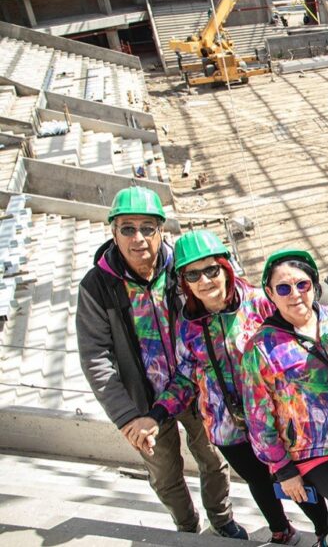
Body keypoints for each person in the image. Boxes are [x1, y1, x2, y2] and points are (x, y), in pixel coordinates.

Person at [131, 231, 328, 545]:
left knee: (294, 477)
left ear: (225, 266)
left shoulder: (261, 304)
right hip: (227, 425)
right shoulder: (188, 324)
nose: (205, 280)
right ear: (184, 281)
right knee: (258, 481)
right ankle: (280, 529)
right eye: (193, 274)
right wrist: (156, 415)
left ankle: (324, 531)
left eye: (211, 269)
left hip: (278, 417)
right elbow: (185, 377)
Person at [76, 187, 244, 538]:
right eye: (128, 229)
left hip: (197, 390)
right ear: (113, 232)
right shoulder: (99, 286)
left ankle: (222, 519)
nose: (139, 239)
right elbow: (95, 355)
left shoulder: (183, 270)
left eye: (147, 228)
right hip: (143, 402)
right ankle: (186, 528)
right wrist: (126, 416)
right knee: (165, 473)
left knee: (214, 459)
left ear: (161, 231)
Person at [240, 249, 328, 547]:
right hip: (312, 451)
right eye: (283, 288)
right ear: (270, 293)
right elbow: (258, 418)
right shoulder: (261, 347)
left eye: (302, 285)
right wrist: (283, 469)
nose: (295, 295)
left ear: (314, 285)